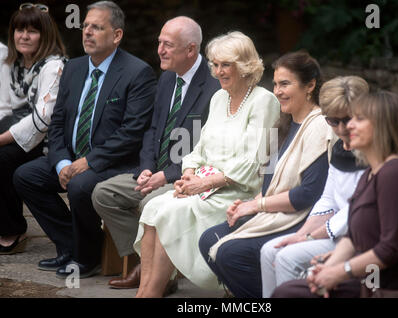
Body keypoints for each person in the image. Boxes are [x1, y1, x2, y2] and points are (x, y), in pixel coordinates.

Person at [13, 1, 157, 279]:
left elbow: (132, 132)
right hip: (72, 158)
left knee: (80, 186)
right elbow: (57, 123)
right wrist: (62, 162)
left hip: (113, 163)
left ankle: (86, 258)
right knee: (25, 176)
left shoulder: (137, 73)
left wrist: (88, 162)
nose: (87, 32)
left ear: (116, 35)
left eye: (97, 27)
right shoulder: (74, 68)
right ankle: (70, 246)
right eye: (86, 26)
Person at [133, 31, 280, 297]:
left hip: (238, 193)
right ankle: (143, 292)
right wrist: (187, 176)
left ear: (245, 66)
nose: (218, 71)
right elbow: (199, 148)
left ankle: (150, 295)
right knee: (153, 207)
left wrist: (203, 184)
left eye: (226, 65)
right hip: (203, 187)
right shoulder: (218, 98)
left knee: (169, 214)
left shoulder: (263, 101)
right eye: (215, 64)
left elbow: (254, 161)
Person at [91, 16, 221, 290]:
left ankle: (155, 275)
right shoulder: (166, 78)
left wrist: (167, 175)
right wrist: (147, 168)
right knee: (103, 193)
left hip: (187, 176)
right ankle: (148, 264)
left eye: (168, 45)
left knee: (149, 203)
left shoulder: (214, 87)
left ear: (191, 50)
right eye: (159, 42)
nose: (160, 50)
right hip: (155, 170)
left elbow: (207, 150)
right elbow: (152, 130)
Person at [198, 50, 334, 298]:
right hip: (274, 213)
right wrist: (247, 205)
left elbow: (308, 194)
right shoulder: (282, 125)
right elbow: (269, 181)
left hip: (301, 219)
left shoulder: (319, 126)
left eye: (285, 84)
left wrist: (256, 205)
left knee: (231, 253)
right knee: (209, 239)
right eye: (275, 84)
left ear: (310, 85)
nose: (278, 91)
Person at [273, 91, 398, 298]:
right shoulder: (372, 172)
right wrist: (329, 266)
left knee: (288, 294)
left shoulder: (396, 174)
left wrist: (340, 271)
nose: (349, 126)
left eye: (359, 119)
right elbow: (353, 236)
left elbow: (391, 248)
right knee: (288, 291)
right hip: (367, 282)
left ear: (384, 126)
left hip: (387, 290)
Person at [259, 76, 369, 297]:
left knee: (286, 257)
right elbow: (328, 198)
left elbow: (359, 209)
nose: (339, 129)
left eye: (345, 120)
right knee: (269, 250)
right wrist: (302, 234)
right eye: (332, 121)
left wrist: (310, 237)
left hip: (361, 238)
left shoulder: (372, 150)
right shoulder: (341, 148)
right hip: (335, 231)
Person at [0, 4, 66, 255]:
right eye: (19, 29)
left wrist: (2, 139)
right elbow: (7, 108)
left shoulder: (53, 66)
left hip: (49, 140)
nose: (24, 36)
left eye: (32, 31)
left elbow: (43, 119)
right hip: (21, 131)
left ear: (45, 35)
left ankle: (12, 228)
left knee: (2, 159)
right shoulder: (15, 64)